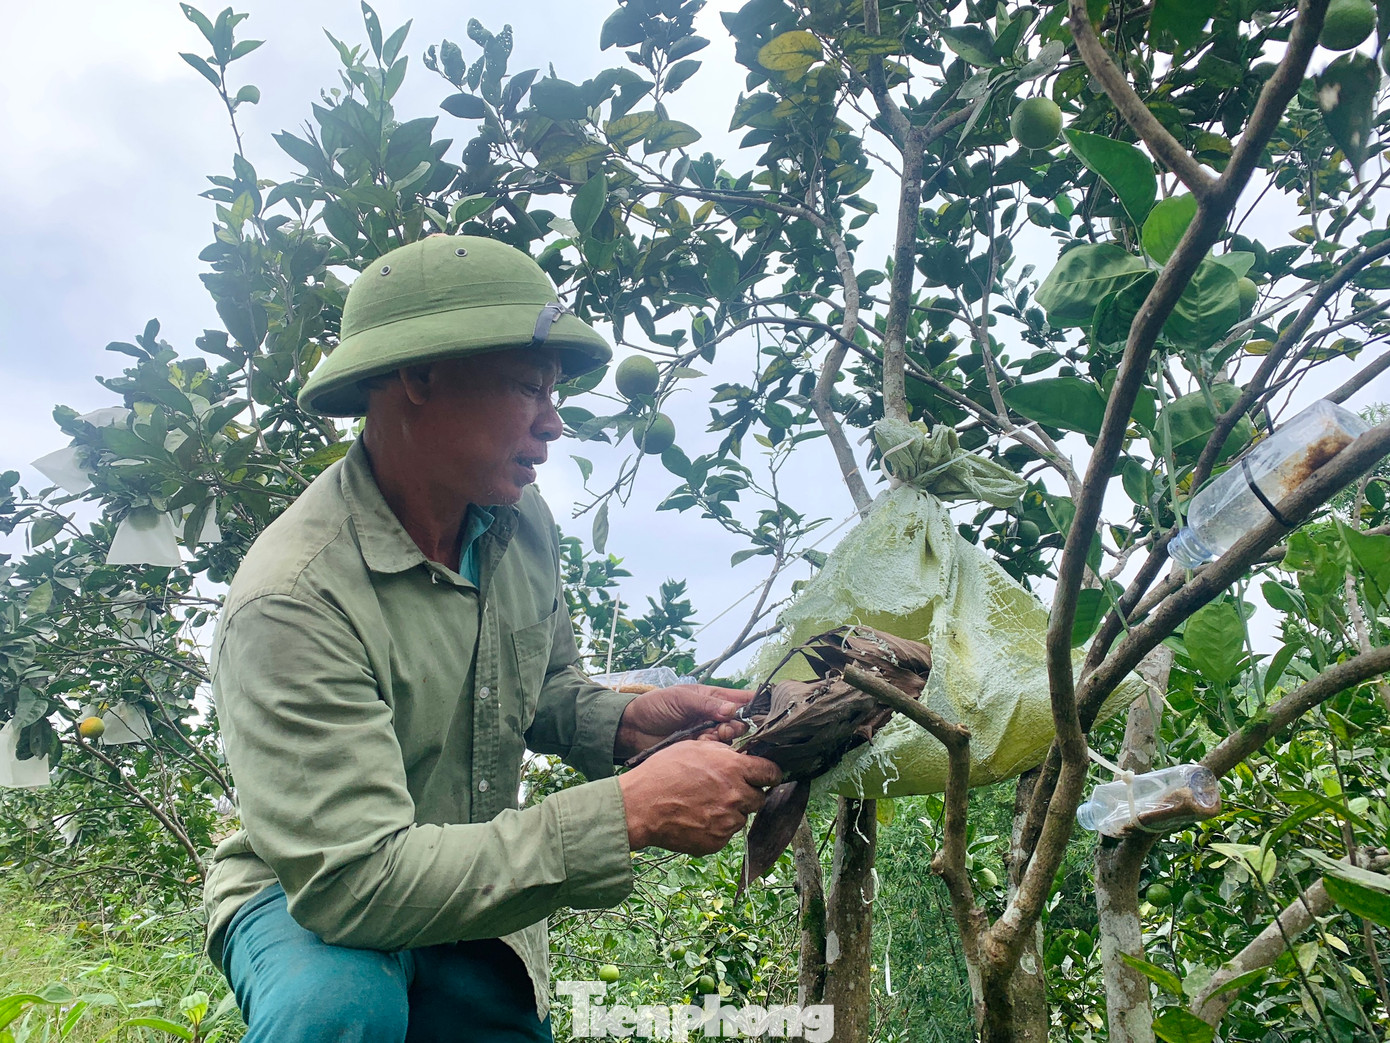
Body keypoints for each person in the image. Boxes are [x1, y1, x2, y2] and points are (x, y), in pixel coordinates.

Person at [203, 234, 782, 1042]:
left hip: (466, 871)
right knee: (338, 1014)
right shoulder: (294, 599)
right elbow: (356, 882)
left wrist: (624, 721)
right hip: (315, 883)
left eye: (552, 391)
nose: (553, 422)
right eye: (525, 386)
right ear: (419, 377)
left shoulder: (516, 520)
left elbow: (539, 684)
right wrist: (628, 814)